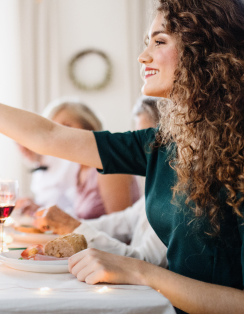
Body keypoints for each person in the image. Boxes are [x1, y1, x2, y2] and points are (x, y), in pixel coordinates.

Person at [0, 0, 244, 313]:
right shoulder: (165, 144)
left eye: (159, 42)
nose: (143, 56)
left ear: (207, 55)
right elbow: (47, 136)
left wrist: (140, 271)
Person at [34, 96, 167, 268]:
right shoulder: (156, 187)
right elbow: (122, 222)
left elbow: (145, 262)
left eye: (65, 126)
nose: (59, 134)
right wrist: (65, 225)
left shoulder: (110, 171)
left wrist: (72, 227)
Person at [18, 100, 139, 219]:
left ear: (88, 128)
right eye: (54, 130)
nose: (58, 135)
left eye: (66, 126)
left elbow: (123, 229)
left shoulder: (108, 164)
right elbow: (79, 218)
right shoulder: (81, 169)